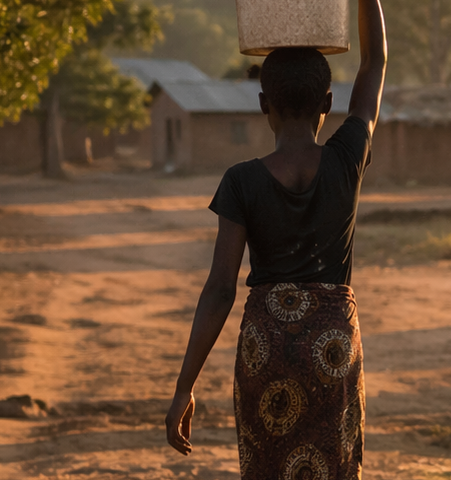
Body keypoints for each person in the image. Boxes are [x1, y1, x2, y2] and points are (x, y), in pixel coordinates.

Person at [165, 1, 386, 476]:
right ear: (327, 103)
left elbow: (220, 289)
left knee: (268, 464)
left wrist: (185, 387)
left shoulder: (241, 180)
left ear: (263, 103)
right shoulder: (346, 159)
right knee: (332, 464)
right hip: (333, 342)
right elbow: (374, 63)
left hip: (265, 345)